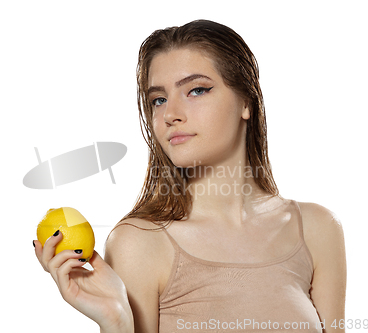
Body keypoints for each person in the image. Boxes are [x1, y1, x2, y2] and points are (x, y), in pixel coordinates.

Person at [33, 19, 346, 333]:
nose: (170, 114)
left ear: (246, 102)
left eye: (196, 90)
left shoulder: (317, 229)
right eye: (159, 99)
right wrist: (115, 322)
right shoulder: (139, 243)